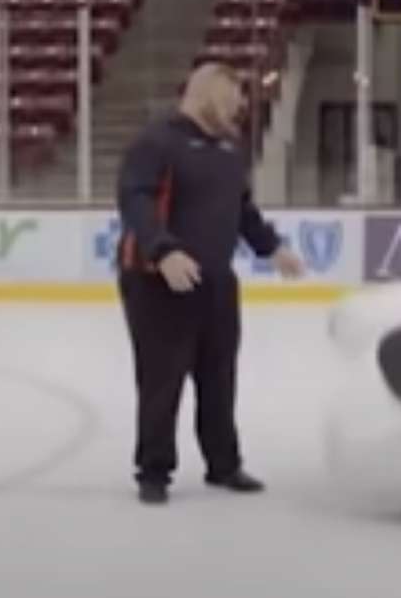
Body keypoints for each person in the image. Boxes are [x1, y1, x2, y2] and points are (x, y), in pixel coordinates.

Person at [116, 61, 305, 504]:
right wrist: (163, 250)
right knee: (163, 380)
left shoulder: (227, 150)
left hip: (217, 282)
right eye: (234, 97)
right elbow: (135, 200)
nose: (240, 107)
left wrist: (271, 248)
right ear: (209, 95)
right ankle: (154, 471)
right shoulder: (157, 141)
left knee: (219, 377)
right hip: (160, 281)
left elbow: (241, 210)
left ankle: (224, 464)